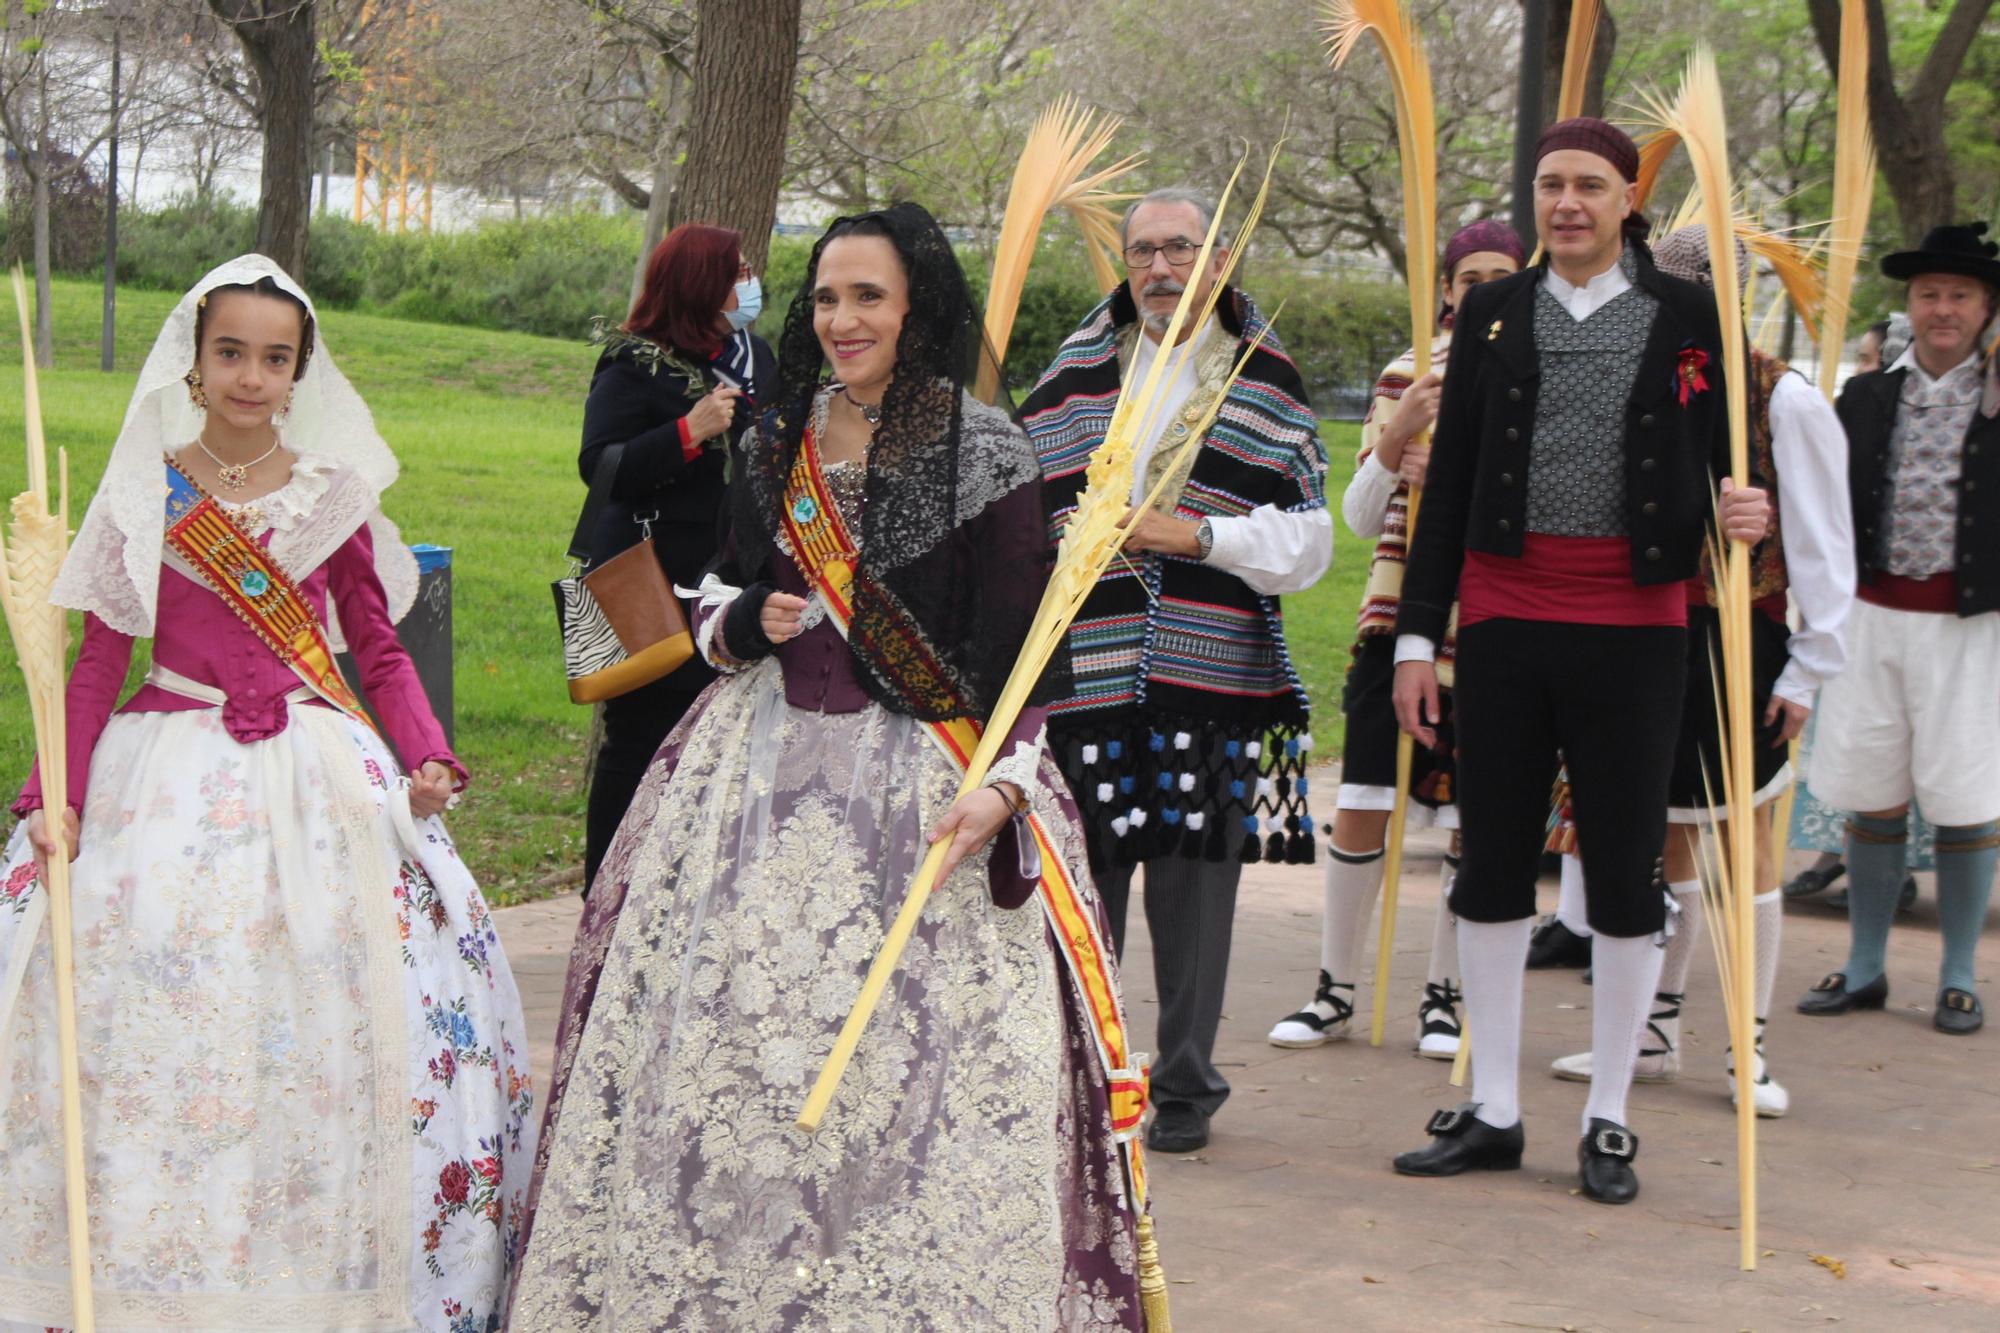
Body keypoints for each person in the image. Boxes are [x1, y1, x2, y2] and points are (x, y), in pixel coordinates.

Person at [510, 203, 1147, 1329]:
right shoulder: (771, 439)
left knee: (905, 1075)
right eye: (825, 298)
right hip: (752, 785)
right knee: (735, 1052)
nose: (841, 319)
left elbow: (1026, 650)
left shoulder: (985, 447)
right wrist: (741, 621)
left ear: (917, 308)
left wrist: (1003, 786)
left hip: (923, 787)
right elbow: (708, 595)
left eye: (869, 296)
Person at [0, 255, 536, 1331]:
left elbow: (376, 651)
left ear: (301, 372)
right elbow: (101, 658)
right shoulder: (143, 492)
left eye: (274, 358)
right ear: (195, 364)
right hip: (163, 774)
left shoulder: (332, 493)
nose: (251, 376)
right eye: (231, 353)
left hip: (315, 774)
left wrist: (429, 754)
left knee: (342, 1006)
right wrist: (50, 788)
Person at [1386, 119, 1769, 1206]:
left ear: (1624, 198)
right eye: (1549, 185)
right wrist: (1419, 635)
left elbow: (1729, 463)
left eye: (1587, 186)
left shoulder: (1690, 314)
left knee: (1621, 868)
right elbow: (1448, 479)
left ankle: (1606, 1114)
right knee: (1493, 862)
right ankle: (1496, 1106)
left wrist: (1743, 509)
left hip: (1638, 622)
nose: (1565, 204)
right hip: (1504, 615)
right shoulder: (1494, 311)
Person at [1021, 185, 1331, 1154]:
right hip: (1088, 678)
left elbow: (1309, 542)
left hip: (1213, 681)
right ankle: (1084, 1076)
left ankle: (1186, 1088)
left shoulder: (1266, 384)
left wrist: (1191, 534)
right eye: (1143, 251)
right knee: (1088, 892)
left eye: (1180, 250)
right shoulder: (1070, 378)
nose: (1160, 269)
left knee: (1195, 898)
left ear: (1219, 256)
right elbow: (1014, 513)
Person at [1546, 223, 1857, 1120]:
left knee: (1745, 842)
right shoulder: (1627, 382)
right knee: (1667, 836)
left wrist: (1807, 668)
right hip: (1636, 631)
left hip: (1736, 637)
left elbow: (1826, 544)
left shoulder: (1780, 397)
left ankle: (1747, 1043)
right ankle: (1654, 1030)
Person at [1268, 219, 1525, 1059]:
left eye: (1501, 273)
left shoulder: (1537, 369)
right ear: (1447, 288)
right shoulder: (1407, 374)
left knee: (1469, 814)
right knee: (1365, 802)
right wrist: (1397, 436)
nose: (1482, 288)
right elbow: (1358, 514)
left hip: (1489, 619)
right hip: (1396, 617)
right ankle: (1335, 986)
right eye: (1468, 275)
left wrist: (1460, 466)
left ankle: (1444, 995)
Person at [1797, 221, 2000, 1036]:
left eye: (1959, 295)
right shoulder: (1868, 394)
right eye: (1928, 295)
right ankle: (1866, 964)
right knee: (1871, 789)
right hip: (1874, 615)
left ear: (1987, 308)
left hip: (1970, 622)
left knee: (1964, 795)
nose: (1942, 309)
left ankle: (1957, 973)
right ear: (1909, 306)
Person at [578, 224, 776, 891]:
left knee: (715, 740)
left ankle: (689, 892)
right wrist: (687, 432)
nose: (750, 281)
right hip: (651, 585)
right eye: (737, 270)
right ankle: (608, 889)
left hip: (732, 584)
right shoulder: (636, 362)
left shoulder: (758, 357)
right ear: (700, 283)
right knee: (637, 739)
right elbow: (600, 466)